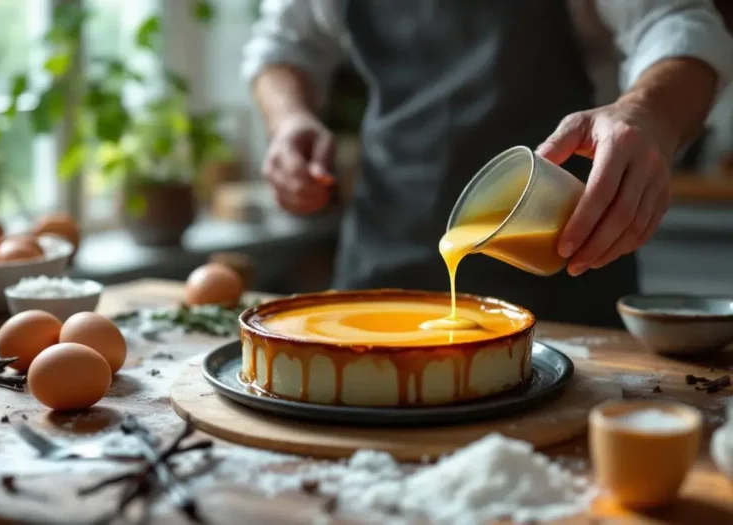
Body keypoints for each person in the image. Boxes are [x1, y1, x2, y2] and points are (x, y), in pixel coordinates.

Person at [242, 0, 733, 327]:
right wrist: (289, 120)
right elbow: (284, 42)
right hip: (382, 249)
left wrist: (647, 115)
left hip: (563, 272)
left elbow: (678, 23)